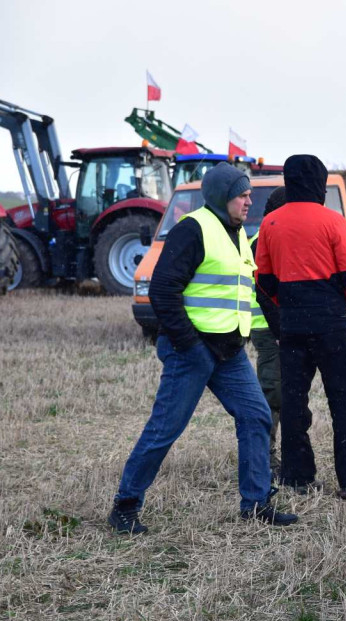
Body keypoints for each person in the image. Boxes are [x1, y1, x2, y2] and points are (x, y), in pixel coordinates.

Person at [108, 163, 298, 533]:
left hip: (230, 351)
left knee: (256, 415)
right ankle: (125, 506)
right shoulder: (192, 229)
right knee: (165, 428)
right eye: (242, 195)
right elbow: (163, 291)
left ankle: (256, 503)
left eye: (248, 195)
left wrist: (280, 328)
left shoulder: (238, 233)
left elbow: (250, 289)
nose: (249, 201)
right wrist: (190, 346)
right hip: (191, 351)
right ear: (221, 196)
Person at [255, 155, 346, 500]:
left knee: (293, 402)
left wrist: (288, 305)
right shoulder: (333, 221)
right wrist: (342, 305)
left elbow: (263, 278)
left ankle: (298, 476)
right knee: (345, 402)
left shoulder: (271, 223)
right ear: (320, 184)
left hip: (291, 325)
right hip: (330, 324)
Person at [250, 186, 287, 475]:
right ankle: (266, 457)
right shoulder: (261, 242)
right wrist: (278, 328)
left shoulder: (270, 236)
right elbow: (264, 292)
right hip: (268, 329)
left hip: (281, 328)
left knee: (284, 392)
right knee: (273, 392)